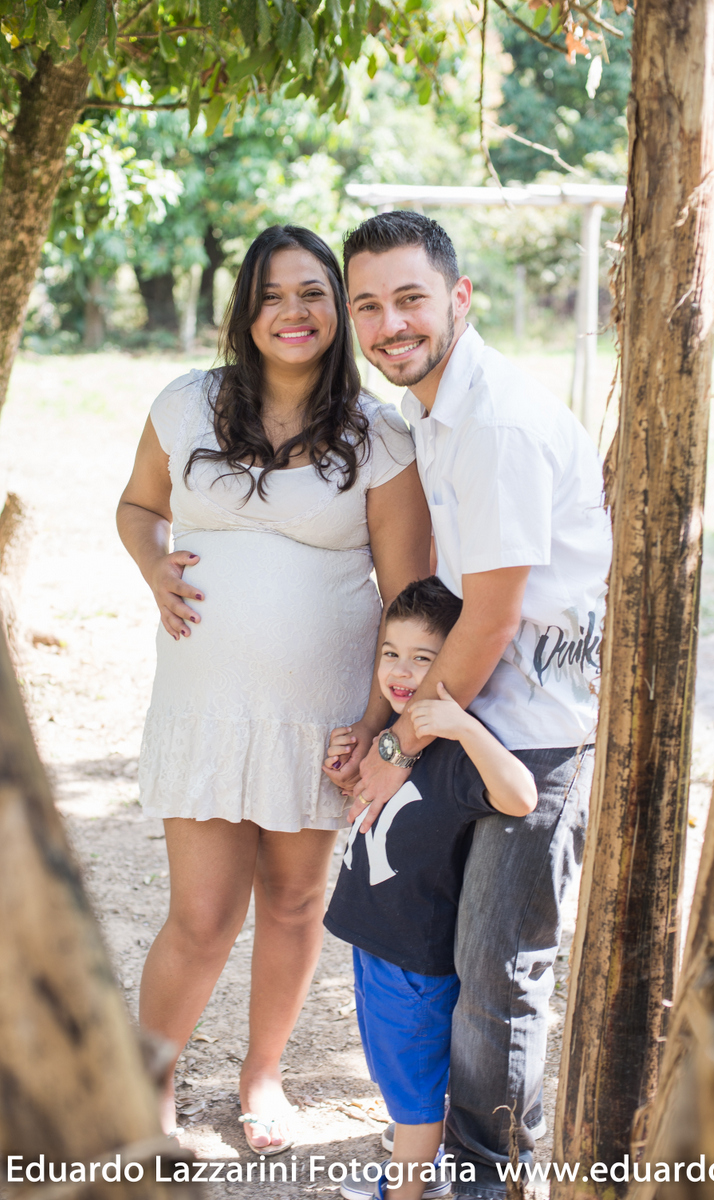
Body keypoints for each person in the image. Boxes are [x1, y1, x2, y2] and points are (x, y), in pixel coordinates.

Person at [116, 224, 430, 1148]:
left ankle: (262, 1081)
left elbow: (408, 594)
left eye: (312, 294)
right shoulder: (185, 405)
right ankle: (151, 1087)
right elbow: (139, 507)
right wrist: (151, 565)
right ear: (244, 310)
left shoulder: (378, 435)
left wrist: (374, 726)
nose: (291, 312)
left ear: (337, 310)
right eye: (271, 295)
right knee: (202, 913)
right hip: (207, 710)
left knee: (294, 903)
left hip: (322, 713)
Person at [324, 211, 612, 1197]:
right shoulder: (431, 415)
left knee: (499, 978)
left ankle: (491, 1181)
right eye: (369, 305)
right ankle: (439, 1159)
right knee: (440, 955)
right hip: (471, 715)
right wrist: (386, 724)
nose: (390, 323)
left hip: (530, 737)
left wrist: (396, 749)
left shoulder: (489, 424)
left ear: (460, 298)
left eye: (411, 298)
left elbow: (487, 620)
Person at [323, 577, 537, 1200]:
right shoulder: (395, 738)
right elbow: (386, 815)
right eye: (392, 652)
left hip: (415, 961)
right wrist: (348, 764)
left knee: (415, 1098)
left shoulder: (455, 746)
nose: (402, 670)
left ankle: (407, 1192)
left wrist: (464, 728)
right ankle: (414, 1171)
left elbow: (522, 796)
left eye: (424, 658)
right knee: (397, 1081)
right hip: (374, 940)